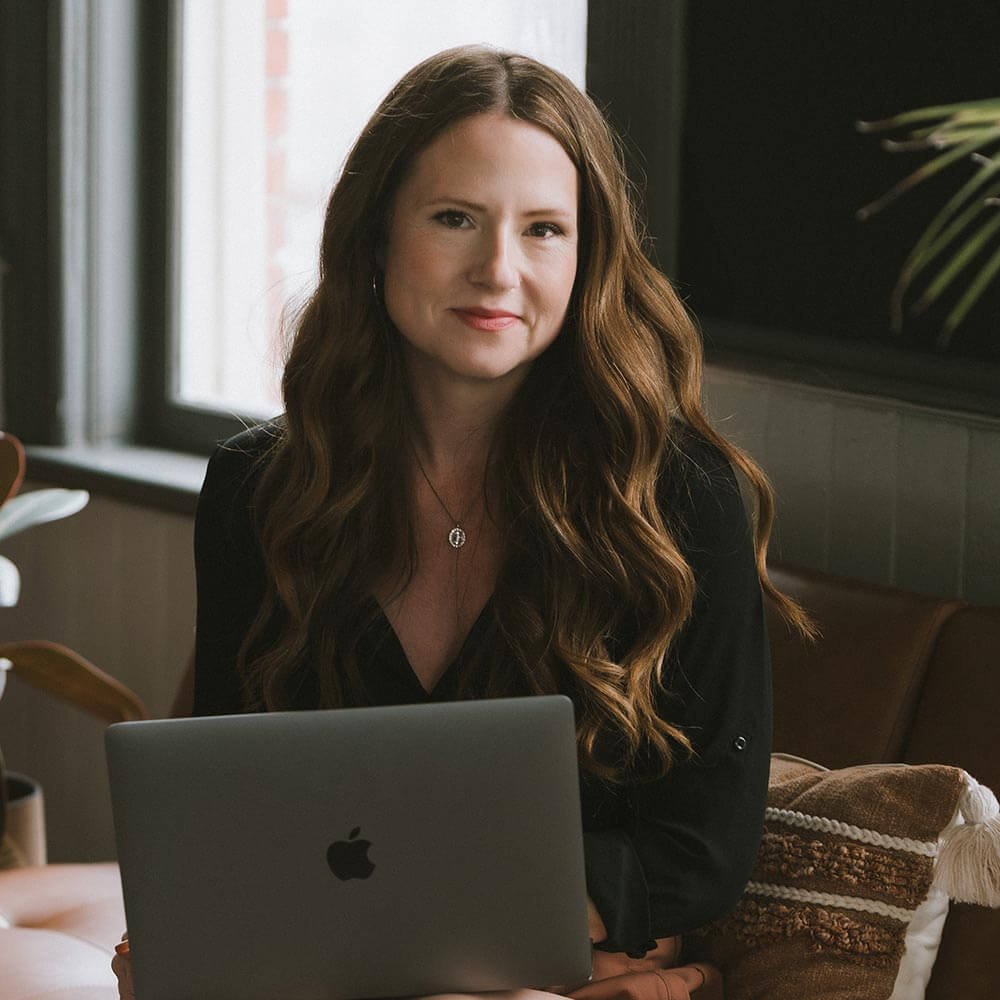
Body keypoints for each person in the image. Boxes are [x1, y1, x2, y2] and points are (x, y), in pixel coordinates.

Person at [114, 43, 810, 1000]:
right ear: (375, 239)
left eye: (543, 231)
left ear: (588, 259)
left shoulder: (682, 503)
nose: (497, 270)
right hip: (330, 972)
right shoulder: (258, 489)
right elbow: (239, 802)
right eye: (454, 219)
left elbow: (705, 847)